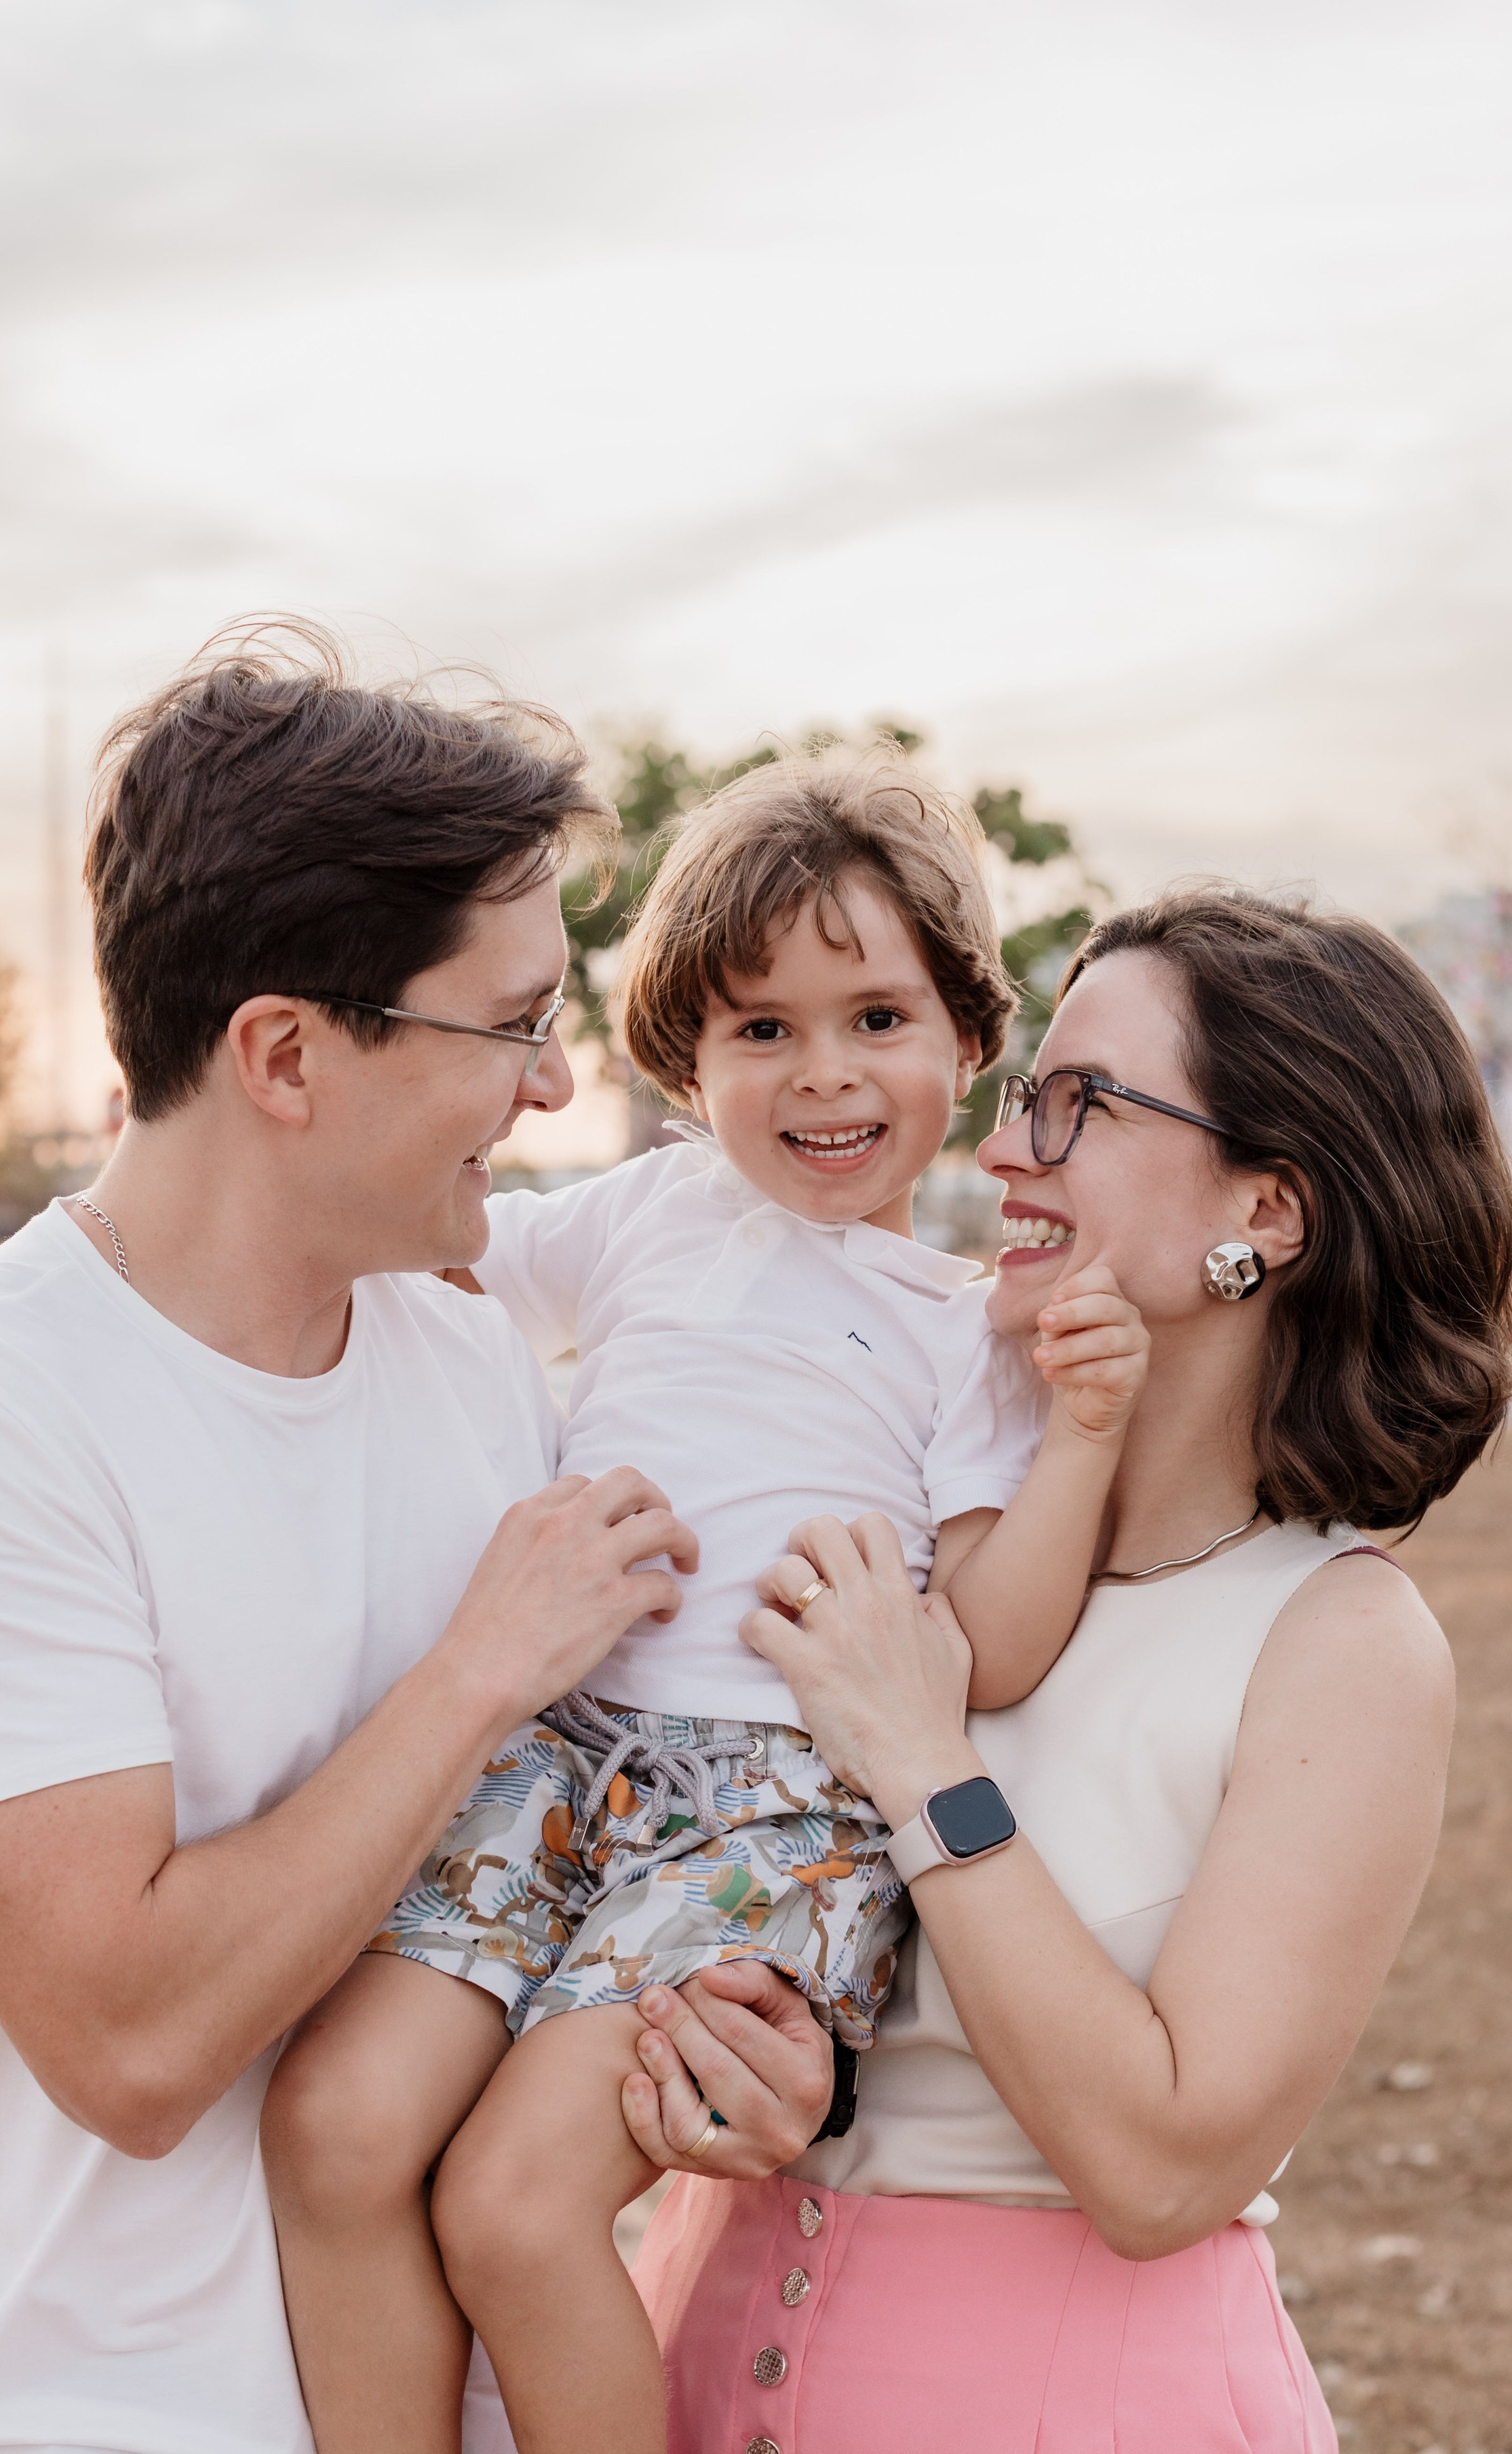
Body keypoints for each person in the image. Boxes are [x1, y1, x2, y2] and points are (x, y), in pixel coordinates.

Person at [0, 629, 832, 2454]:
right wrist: (476, 1672)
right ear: (282, 1053)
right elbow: (136, 2046)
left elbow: (558, 1865)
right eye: (509, 1025)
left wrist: (728, 2028)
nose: (556, 1085)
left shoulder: (464, 1350)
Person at [262, 754, 1153, 2454]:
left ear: (967, 1040)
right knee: (335, 2124)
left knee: (518, 2208)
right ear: (682, 1065)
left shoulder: (962, 1329)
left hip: (772, 1808)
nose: (823, 1074)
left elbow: (996, 1638)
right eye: (759, 1029)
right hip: (549, 1749)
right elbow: (433, 1253)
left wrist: (1084, 1434)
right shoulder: (645, 1215)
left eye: (875, 1017)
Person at [624, 884, 1512, 2453]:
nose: (1000, 1151)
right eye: (1022, 1095)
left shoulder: (1336, 1644)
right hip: (679, 2372)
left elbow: (1162, 2168)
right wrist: (771, 2084)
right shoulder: (894, 1496)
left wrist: (923, 1765)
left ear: (1264, 1212)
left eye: (1077, 1104)